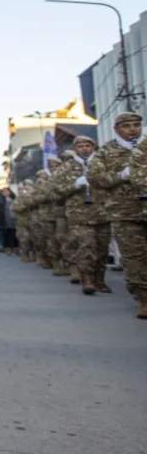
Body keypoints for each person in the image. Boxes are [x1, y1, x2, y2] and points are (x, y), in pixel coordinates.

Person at [93, 112, 147, 319]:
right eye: (127, 126)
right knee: (134, 258)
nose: (132, 129)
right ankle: (143, 299)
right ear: (117, 130)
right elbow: (96, 178)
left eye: (136, 125)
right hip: (126, 212)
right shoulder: (106, 152)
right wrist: (120, 176)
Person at [57, 137, 111, 294]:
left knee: (102, 248)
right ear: (75, 149)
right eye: (80, 146)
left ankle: (100, 279)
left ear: (93, 147)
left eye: (88, 145)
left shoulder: (102, 164)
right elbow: (56, 192)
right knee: (86, 247)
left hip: (103, 212)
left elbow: (113, 181)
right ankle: (87, 279)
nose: (85, 149)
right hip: (79, 215)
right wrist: (74, 185)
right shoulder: (66, 168)